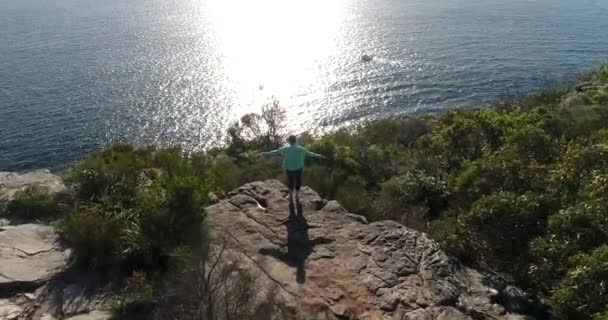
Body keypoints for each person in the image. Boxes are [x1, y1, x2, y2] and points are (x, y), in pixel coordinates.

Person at [262, 135, 324, 200]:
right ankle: (296, 195)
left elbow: (275, 152)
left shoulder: (285, 148)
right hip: (298, 168)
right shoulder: (300, 148)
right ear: (296, 140)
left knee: (291, 181)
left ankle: (290, 195)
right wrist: (319, 156)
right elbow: (310, 154)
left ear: (289, 141)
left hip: (289, 168)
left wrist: (265, 153)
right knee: (298, 181)